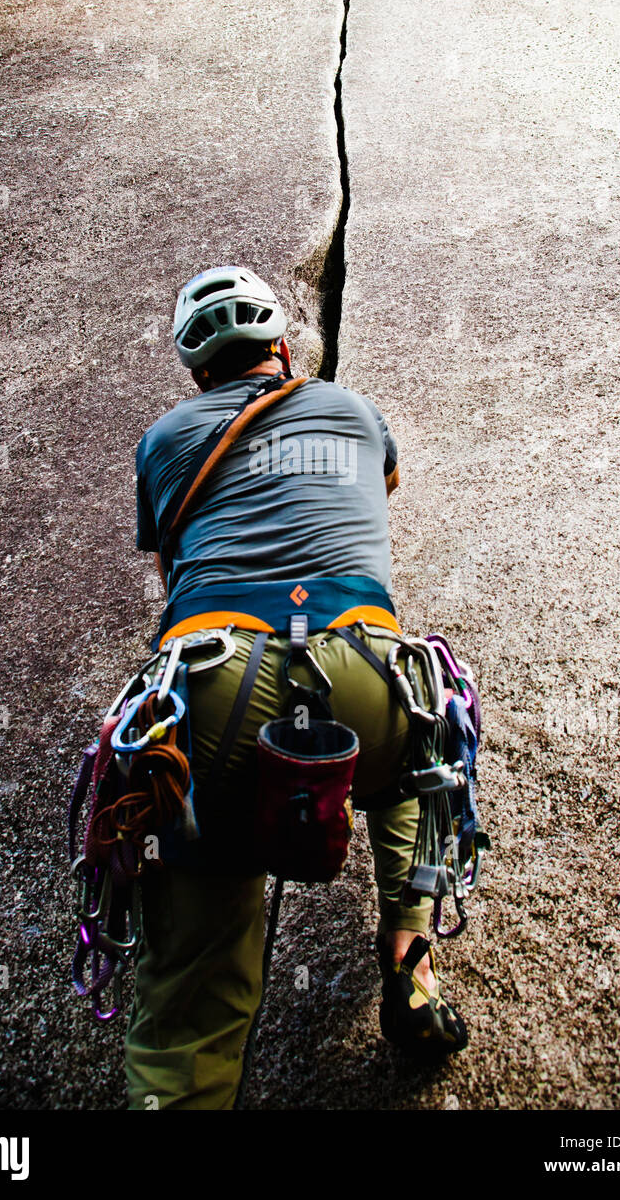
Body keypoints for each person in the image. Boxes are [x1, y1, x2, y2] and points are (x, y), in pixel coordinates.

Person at [124, 266, 467, 1109]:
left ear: (197, 372)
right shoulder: (350, 409)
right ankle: (410, 969)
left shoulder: (164, 440)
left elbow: (173, 566)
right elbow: (376, 500)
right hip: (362, 669)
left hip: (214, 682)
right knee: (420, 764)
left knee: (196, 960)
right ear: (282, 345)